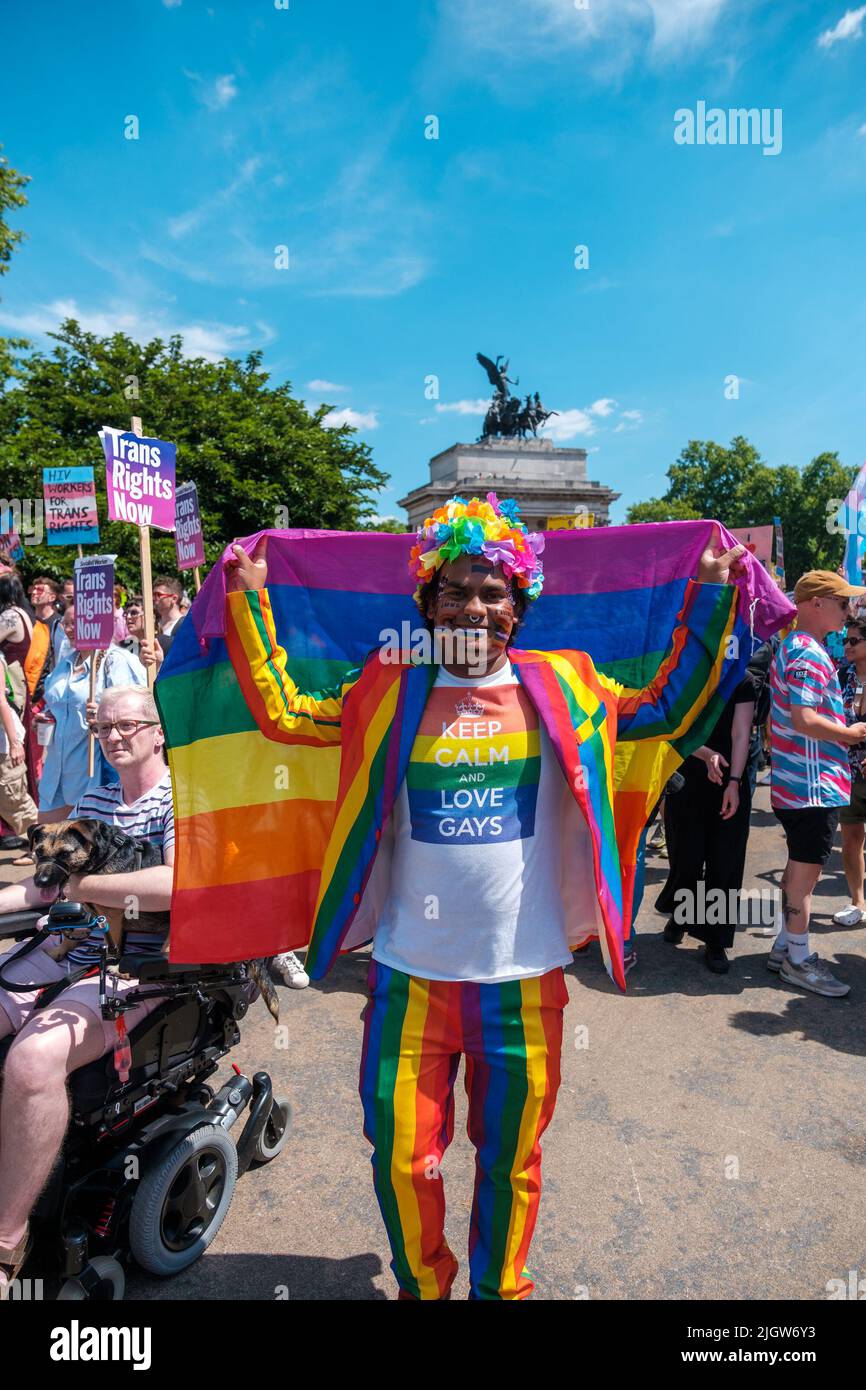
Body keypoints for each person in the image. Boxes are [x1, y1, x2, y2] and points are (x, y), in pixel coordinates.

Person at [223, 495, 745, 1300]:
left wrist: (711, 594)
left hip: (525, 982)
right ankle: (423, 1288)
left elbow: (668, 706)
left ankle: (500, 1291)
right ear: (427, 606)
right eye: (456, 590)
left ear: (519, 606)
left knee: (511, 1160)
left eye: (494, 591)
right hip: (408, 980)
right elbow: (287, 709)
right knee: (402, 1157)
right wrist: (248, 600)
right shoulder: (388, 687)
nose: (475, 605)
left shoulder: (566, 684)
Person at [0, 685, 174, 1294]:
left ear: (159, 730)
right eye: (104, 727)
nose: (115, 735)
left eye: (129, 724)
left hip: (139, 964)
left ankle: (6, 1244)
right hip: (64, 949)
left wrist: (86, 889)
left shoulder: (184, 800)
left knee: (32, 1058)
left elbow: (180, 885)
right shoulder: (96, 797)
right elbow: (47, 886)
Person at [767, 571, 866, 997]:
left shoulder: (798, 646)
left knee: (797, 871)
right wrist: (851, 733)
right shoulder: (807, 651)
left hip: (799, 784)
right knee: (805, 878)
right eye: (844, 602)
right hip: (810, 785)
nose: (850, 611)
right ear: (818, 602)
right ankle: (799, 959)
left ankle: (784, 946)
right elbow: (804, 719)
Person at [656, 678, 757, 973]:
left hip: (730, 778)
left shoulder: (744, 680)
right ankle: (683, 914)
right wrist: (705, 754)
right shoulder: (686, 669)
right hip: (687, 775)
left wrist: (734, 782)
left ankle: (715, 940)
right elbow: (674, 727)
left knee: (724, 862)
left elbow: (741, 734)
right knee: (685, 857)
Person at [37, 603, 146, 817]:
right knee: (45, 840)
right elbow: (56, 703)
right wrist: (47, 716)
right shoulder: (66, 663)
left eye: (75, 623)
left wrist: (104, 715)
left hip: (93, 770)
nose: (68, 629)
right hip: (57, 770)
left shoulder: (115, 660)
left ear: (95, 624)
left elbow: (138, 708)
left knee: (85, 842)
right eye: (64, 624)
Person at [832, 616, 866, 927]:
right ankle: (857, 902)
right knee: (851, 839)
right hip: (849, 772)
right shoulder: (841, 677)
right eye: (846, 640)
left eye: (855, 640)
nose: (848, 646)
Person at [0, 654, 37, 843]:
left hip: (4, 744)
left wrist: (15, 744)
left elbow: (0, 702)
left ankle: (45, 846)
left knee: (15, 801)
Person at [153, 576, 185, 646]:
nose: (154, 598)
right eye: (153, 595)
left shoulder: (185, 625)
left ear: (174, 599)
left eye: (158, 595)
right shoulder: (153, 624)